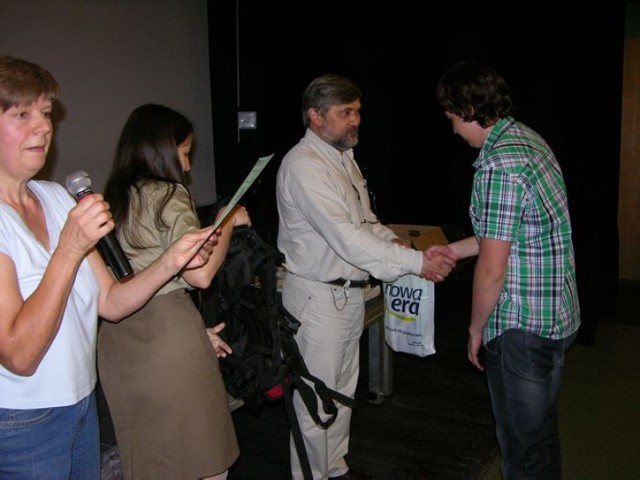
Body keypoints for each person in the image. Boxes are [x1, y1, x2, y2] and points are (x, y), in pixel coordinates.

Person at [0, 56, 216, 478]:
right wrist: (69, 249)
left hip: (82, 406)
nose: (43, 127)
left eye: (45, 114)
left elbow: (112, 301)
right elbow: (20, 355)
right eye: (23, 114)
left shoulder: (57, 198)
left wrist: (172, 260)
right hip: (24, 421)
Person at [276, 73, 456, 480]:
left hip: (346, 297)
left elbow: (366, 223)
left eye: (357, 112)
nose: (355, 120)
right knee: (314, 401)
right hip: (318, 301)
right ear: (315, 116)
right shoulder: (304, 166)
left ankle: (335, 469)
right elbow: (346, 237)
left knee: (341, 395)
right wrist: (415, 265)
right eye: (346, 113)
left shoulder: (342, 159)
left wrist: (401, 246)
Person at [430, 61, 581, 479]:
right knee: (541, 435)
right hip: (556, 316)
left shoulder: (497, 166)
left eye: (450, 118)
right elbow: (504, 232)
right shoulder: (528, 141)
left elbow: (493, 270)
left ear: (465, 110)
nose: (453, 129)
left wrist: (476, 329)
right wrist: (454, 251)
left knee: (520, 450)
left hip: (522, 329)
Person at [97, 103, 249, 480]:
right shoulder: (168, 195)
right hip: (168, 335)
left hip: (119, 342)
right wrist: (227, 220)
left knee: (152, 463)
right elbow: (200, 273)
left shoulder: (113, 196)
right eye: (183, 154)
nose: (187, 167)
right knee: (207, 461)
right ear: (163, 151)